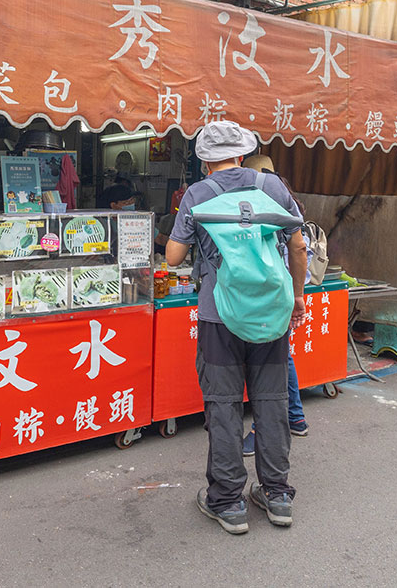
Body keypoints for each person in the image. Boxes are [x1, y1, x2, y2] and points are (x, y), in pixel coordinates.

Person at [166, 122, 307, 534]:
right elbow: (297, 246)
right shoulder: (274, 186)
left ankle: (227, 502)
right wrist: (297, 296)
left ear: (205, 160)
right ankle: (277, 495)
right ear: (242, 154)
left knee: (224, 404)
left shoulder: (198, 193)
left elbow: (174, 257)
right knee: (273, 399)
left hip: (219, 315)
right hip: (271, 311)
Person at [239, 154, 308, 456]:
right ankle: (296, 417)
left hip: (269, 290)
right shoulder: (284, 192)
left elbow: (296, 248)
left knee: (265, 363)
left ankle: (261, 428)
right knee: (281, 356)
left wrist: (296, 295)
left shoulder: (266, 198)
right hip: (280, 289)